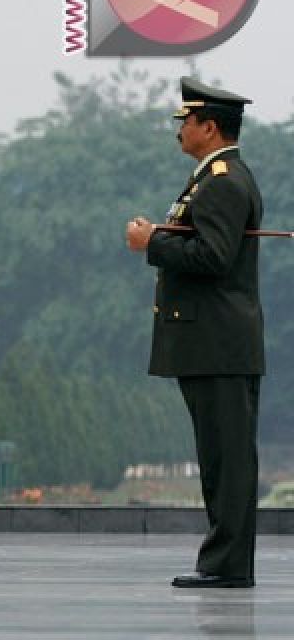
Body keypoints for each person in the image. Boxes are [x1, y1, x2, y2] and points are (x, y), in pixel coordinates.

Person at [125, 77, 264, 589]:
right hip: (211, 343)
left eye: (186, 121)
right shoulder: (210, 177)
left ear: (210, 127)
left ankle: (226, 565)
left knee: (227, 460)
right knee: (218, 457)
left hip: (219, 342)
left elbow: (213, 257)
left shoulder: (224, 180)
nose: (180, 130)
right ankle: (224, 563)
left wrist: (152, 243)